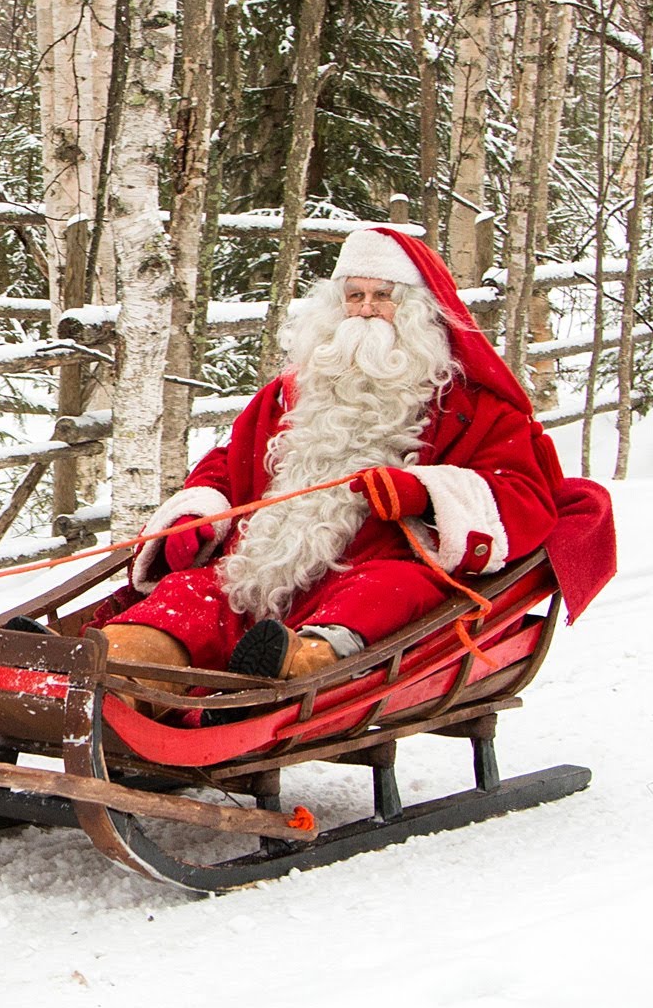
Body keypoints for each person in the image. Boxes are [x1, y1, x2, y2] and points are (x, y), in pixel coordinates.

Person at [96, 227, 616, 691]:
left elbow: (522, 492)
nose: (365, 309)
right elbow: (228, 463)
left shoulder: (474, 407)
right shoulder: (287, 396)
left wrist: (425, 493)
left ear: (417, 309)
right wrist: (198, 513)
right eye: (355, 296)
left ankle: (299, 664)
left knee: (387, 591)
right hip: (262, 568)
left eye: (382, 297)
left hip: (380, 566)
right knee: (192, 592)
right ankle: (112, 670)